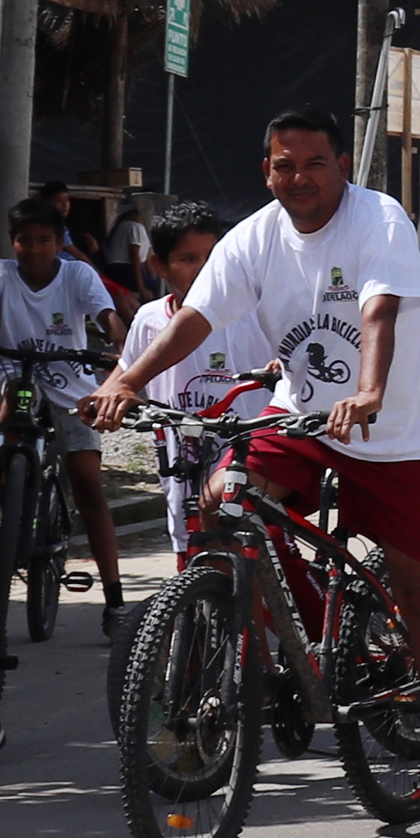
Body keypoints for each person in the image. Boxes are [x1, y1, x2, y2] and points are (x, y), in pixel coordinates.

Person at [89, 105, 420, 838]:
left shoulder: (380, 220)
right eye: (282, 165)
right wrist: (129, 379)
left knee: (419, 585)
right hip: (301, 417)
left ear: (342, 167)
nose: (297, 179)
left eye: (314, 164)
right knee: (221, 502)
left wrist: (368, 391)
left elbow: (380, 310)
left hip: (391, 427)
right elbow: (194, 318)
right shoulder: (255, 236)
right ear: (265, 169)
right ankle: (282, 639)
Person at [0, 195, 128, 627]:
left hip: (71, 384)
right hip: (20, 374)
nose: (33, 250)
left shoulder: (77, 275)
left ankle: (113, 596)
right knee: (7, 433)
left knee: (87, 482)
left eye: (43, 240)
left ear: (58, 241)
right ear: (11, 242)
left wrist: (122, 356)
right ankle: (6, 509)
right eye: (23, 241)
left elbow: (107, 317)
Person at [110, 202, 250, 566]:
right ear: (158, 265)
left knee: (245, 559)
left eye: (212, 257)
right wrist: (105, 395)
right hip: (182, 466)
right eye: (188, 259)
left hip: (247, 459)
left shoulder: (251, 312)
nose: (204, 270)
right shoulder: (150, 319)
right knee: (192, 561)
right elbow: (127, 370)